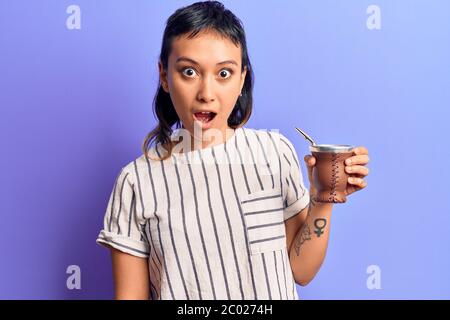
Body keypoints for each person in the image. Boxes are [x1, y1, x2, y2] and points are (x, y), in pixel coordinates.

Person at [96, 0, 370, 300]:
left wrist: (323, 197)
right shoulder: (136, 182)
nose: (206, 93)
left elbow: (301, 271)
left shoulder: (274, 153)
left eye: (223, 73)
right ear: (164, 75)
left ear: (242, 79)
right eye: (189, 72)